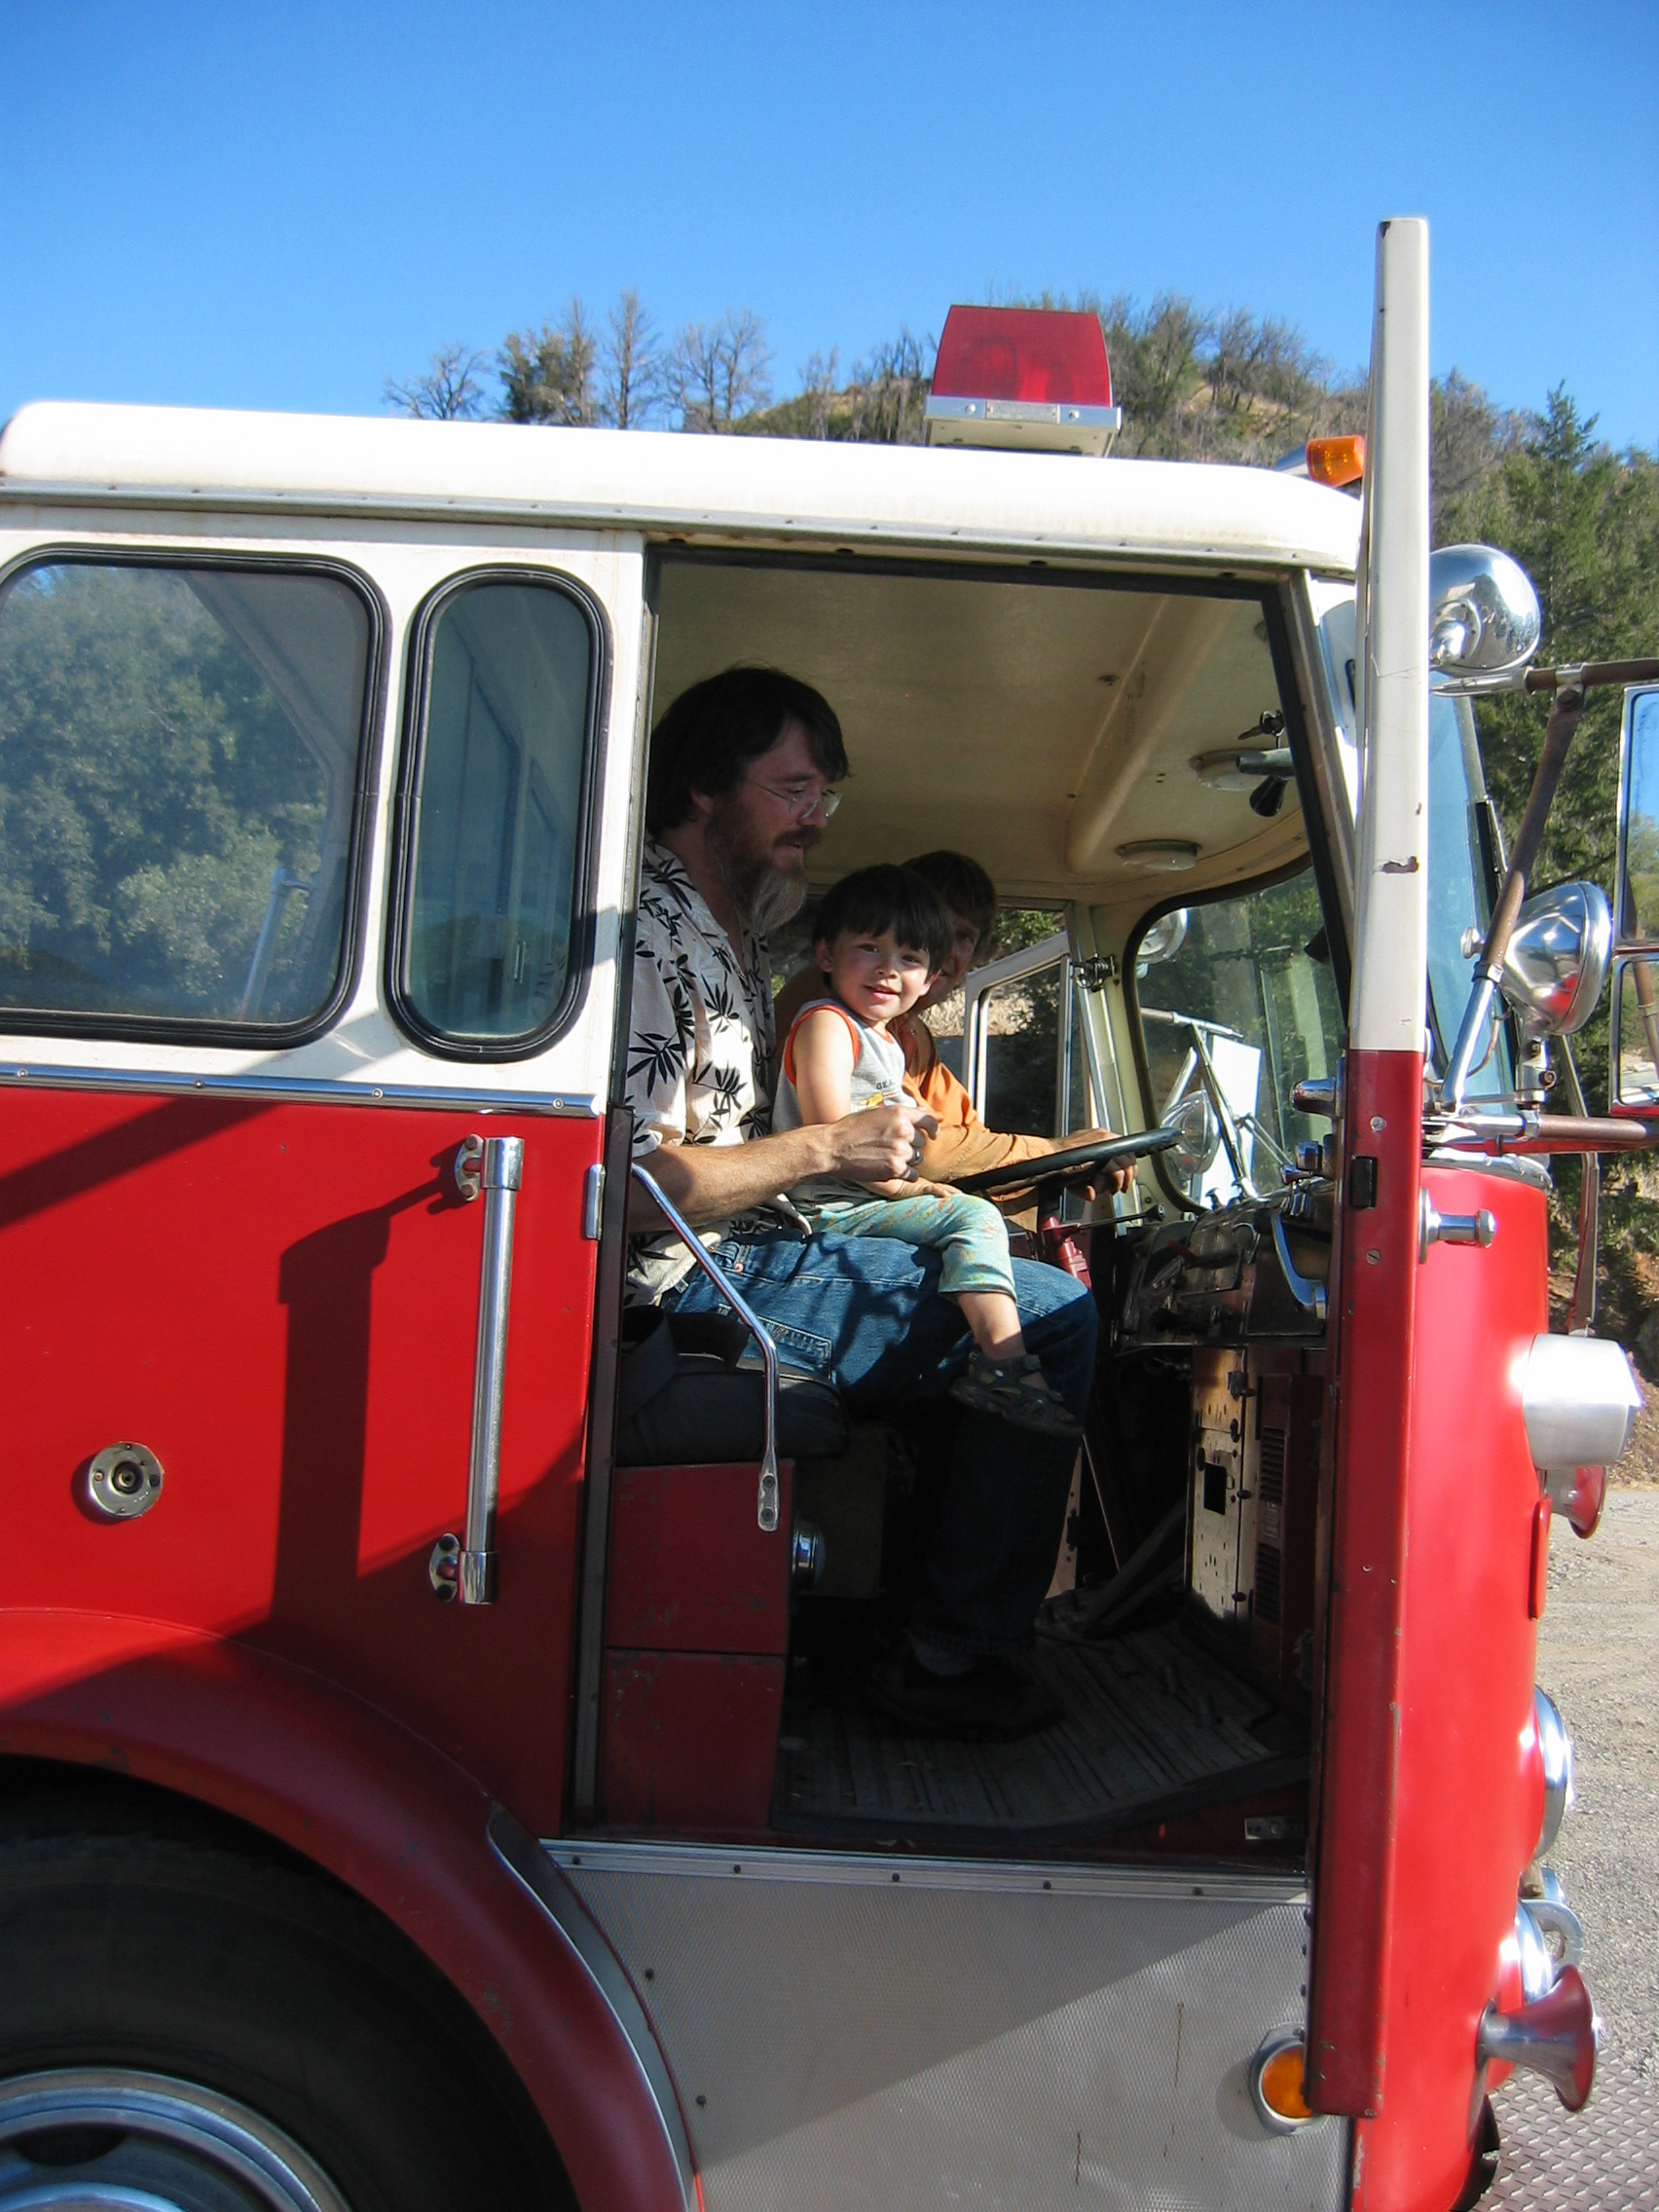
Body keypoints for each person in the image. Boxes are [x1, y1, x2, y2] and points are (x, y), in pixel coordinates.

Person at [625, 665, 1096, 1738]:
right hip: (689, 1284)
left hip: (753, 1245)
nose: (816, 818)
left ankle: (903, 1620)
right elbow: (631, 1180)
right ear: (704, 787)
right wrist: (829, 1145)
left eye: (823, 795)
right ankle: (947, 1657)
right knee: (1056, 1317)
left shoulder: (728, 933)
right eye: (794, 790)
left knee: (1007, 1285)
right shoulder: (655, 934)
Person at [771, 863, 1079, 1434]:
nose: (888, 969)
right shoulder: (826, 1024)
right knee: (973, 1218)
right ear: (826, 954)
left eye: (910, 957)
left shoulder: (891, 1039)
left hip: (864, 1196)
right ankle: (1004, 1364)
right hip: (830, 1204)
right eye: (870, 947)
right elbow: (832, 1137)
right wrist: (908, 1188)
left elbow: (953, 1132)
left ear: (929, 974)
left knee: (977, 1220)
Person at [776, 847, 1134, 1192]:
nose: (945, 948)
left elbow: (964, 1132)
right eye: (934, 927)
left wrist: (1059, 1166)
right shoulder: (835, 1009)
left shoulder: (909, 1031)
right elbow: (922, 1150)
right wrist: (1053, 1154)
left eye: (964, 936)